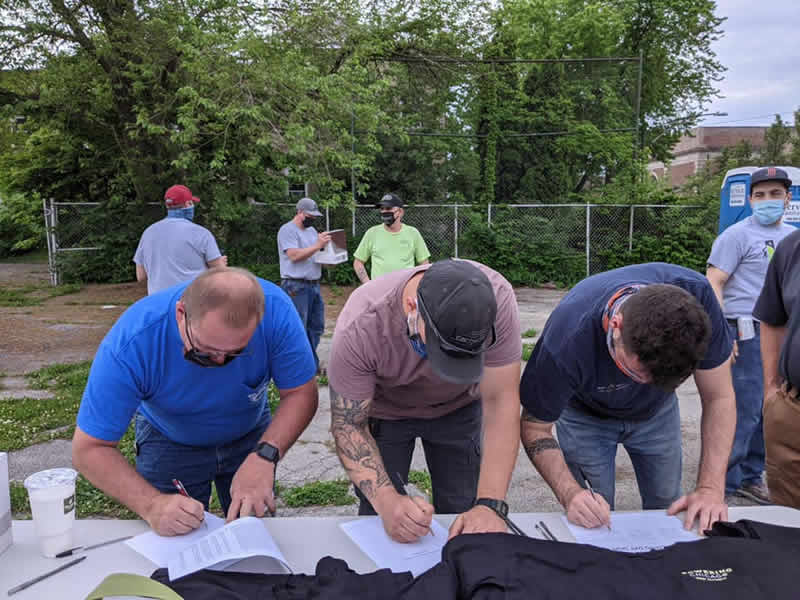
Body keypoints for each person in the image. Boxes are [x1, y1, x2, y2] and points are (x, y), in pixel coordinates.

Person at [72, 267, 318, 535]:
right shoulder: (134, 341)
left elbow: (300, 394)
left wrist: (265, 456)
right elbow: (89, 449)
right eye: (204, 352)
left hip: (250, 434)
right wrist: (152, 505)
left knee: (253, 535)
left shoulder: (277, 312)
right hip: (168, 439)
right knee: (175, 535)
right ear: (181, 314)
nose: (220, 362)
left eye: (236, 353)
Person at [520, 263, 735, 532]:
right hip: (585, 417)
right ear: (616, 325)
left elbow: (719, 398)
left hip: (657, 414)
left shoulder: (697, 300)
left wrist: (710, 489)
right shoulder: (566, 340)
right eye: (635, 373)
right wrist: (570, 494)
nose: (644, 385)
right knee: (594, 514)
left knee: (667, 502)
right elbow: (535, 427)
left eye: (662, 381)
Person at [328, 259, 522, 543]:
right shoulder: (363, 324)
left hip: (459, 408)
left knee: (465, 508)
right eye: (442, 350)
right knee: (383, 518)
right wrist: (386, 501)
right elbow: (348, 425)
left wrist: (490, 504)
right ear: (411, 307)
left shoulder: (497, 300)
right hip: (387, 411)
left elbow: (501, 401)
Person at [706, 166, 795, 504]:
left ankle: (750, 475)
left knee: (770, 406)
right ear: (751, 199)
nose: (767, 201)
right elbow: (714, 280)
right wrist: (720, 333)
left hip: (782, 330)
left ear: (787, 198)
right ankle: (723, 485)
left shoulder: (792, 237)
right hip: (744, 330)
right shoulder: (737, 235)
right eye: (760, 195)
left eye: (775, 194)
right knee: (743, 411)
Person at [753, 170, 800, 509]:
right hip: (793, 407)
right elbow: (772, 318)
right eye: (761, 194)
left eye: (775, 193)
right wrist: (771, 389)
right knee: (788, 522)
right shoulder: (792, 248)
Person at [134, 184, 227, 295]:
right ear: (188, 204)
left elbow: (141, 277)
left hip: (158, 304)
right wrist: (221, 263)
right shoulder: (201, 233)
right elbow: (220, 272)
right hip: (191, 304)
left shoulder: (148, 233)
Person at [277, 197, 331, 372]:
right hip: (295, 285)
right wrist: (317, 245)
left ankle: (309, 361)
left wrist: (329, 254)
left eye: (315, 216)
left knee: (316, 326)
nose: (313, 218)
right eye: (310, 215)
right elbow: (293, 255)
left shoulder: (311, 230)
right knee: (298, 327)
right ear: (300, 212)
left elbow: (315, 255)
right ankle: (302, 366)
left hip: (314, 284)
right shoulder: (287, 230)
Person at [352, 193, 430, 283]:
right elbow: (358, 262)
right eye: (382, 209)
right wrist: (368, 284)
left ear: (400, 212)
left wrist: (414, 285)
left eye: (388, 208)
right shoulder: (372, 233)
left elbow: (424, 264)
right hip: (379, 291)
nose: (384, 212)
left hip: (404, 291)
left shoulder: (413, 233)